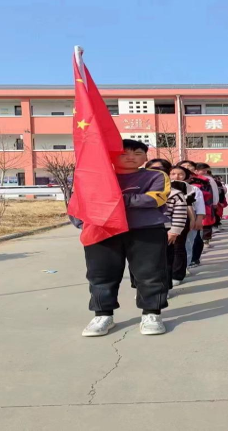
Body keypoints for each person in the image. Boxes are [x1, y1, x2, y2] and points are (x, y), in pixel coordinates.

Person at [76, 139, 170, 337]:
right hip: (102, 230)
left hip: (146, 230)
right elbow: (80, 200)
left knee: (151, 273)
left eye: (137, 154)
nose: (131, 157)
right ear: (111, 156)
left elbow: (155, 198)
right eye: (124, 154)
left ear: (146, 157)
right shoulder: (97, 176)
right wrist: (81, 222)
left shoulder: (156, 176)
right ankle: (103, 315)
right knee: (101, 274)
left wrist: (114, 199)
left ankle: (151, 313)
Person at [145, 159, 189, 296]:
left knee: (164, 262)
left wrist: (174, 231)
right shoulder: (141, 190)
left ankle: (164, 288)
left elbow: (180, 214)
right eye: (152, 169)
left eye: (162, 170)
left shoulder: (175, 193)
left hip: (165, 231)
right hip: (142, 231)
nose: (157, 173)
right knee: (143, 263)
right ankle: (143, 288)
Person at [169, 164, 204, 283]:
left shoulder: (193, 189)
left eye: (180, 174)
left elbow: (199, 206)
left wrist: (198, 219)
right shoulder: (162, 187)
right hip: (168, 221)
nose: (177, 176)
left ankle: (182, 269)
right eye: (173, 173)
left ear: (186, 176)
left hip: (189, 218)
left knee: (186, 244)